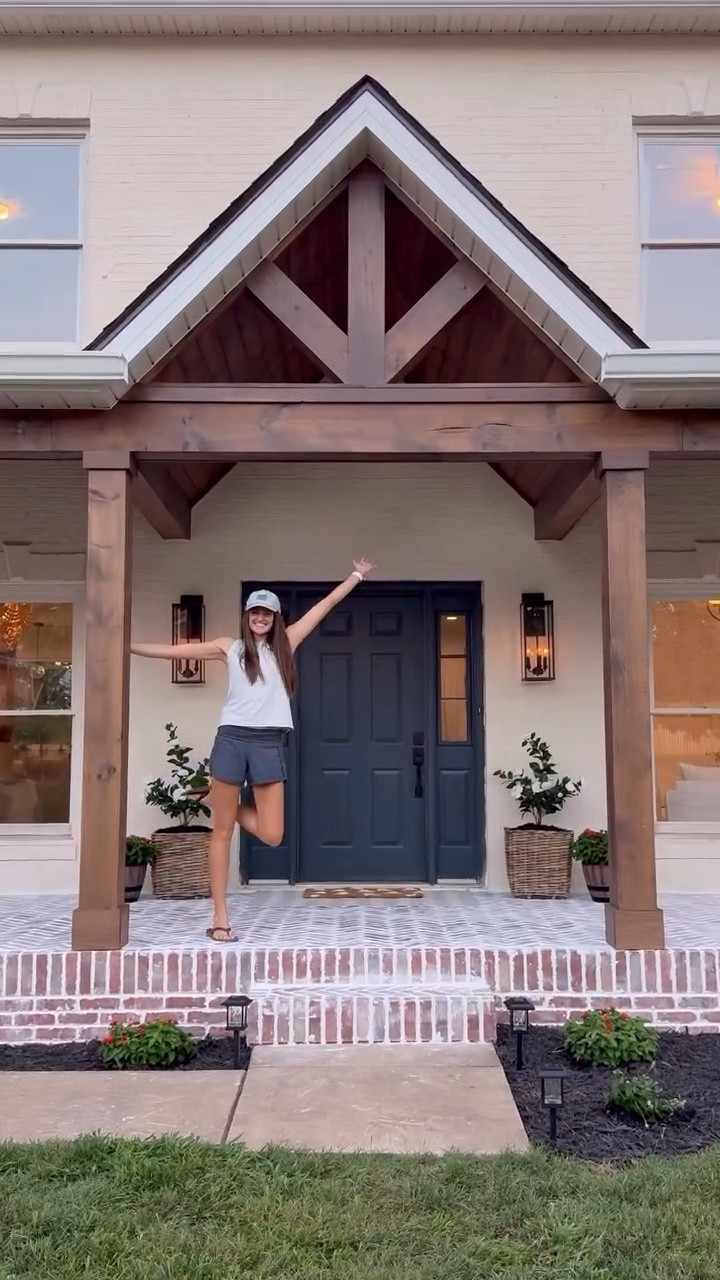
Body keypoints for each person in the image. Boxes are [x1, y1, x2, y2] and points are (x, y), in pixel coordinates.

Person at [131, 557, 376, 941]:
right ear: (246, 615)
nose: (260, 618)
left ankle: (214, 797)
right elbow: (176, 651)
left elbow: (324, 606)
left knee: (273, 833)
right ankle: (220, 917)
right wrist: (126, 646)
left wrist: (356, 576)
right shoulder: (227, 648)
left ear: (276, 617)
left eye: (267, 613)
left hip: (267, 744)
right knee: (222, 833)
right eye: (255, 612)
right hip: (231, 739)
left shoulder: (287, 644)